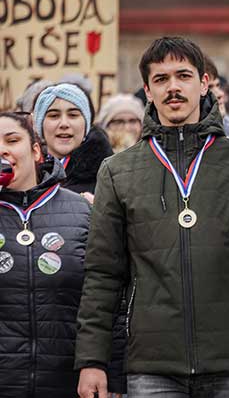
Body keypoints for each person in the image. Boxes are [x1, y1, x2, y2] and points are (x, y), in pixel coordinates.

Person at [74, 36, 229, 398]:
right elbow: (103, 273)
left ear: (204, 82)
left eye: (183, 75)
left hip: (228, 359)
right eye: (161, 79)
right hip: (152, 365)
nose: (174, 87)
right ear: (147, 90)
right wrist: (92, 360)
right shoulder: (118, 171)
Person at [0, 112, 121, 397]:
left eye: (12, 140)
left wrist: (108, 370)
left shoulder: (81, 212)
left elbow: (108, 295)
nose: (2, 150)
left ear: (35, 151)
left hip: (69, 381)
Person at [33, 83, 113, 204]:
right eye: (54, 116)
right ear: (40, 125)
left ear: (86, 124)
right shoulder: (22, 177)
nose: (64, 124)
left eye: (73, 115)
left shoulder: (111, 176)